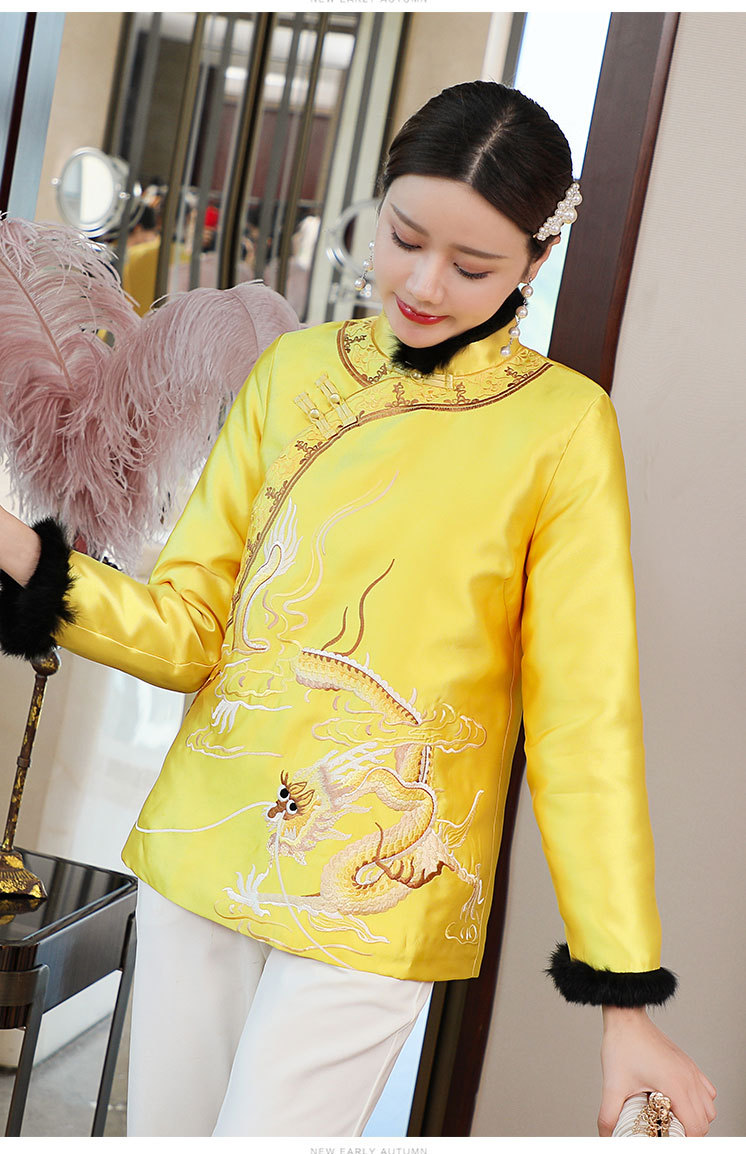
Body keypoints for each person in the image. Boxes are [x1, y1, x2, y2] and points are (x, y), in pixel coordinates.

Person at [0, 81, 716, 1138]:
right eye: (404, 238)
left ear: (537, 257)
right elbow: (189, 633)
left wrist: (623, 998)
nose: (422, 283)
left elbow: (584, 722)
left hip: (382, 883)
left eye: (471, 265)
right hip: (204, 845)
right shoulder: (291, 372)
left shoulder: (563, 429)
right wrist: (22, 553)